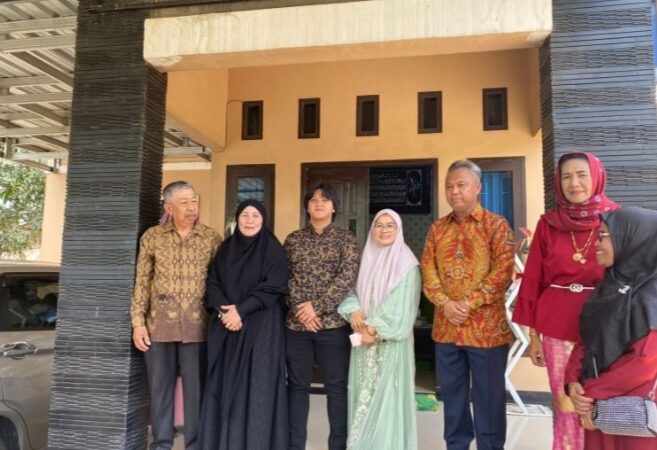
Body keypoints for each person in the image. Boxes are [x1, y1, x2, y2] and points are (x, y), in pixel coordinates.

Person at [512, 152, 619, 450]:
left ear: (596, 177)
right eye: (567, 177)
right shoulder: (548, 224)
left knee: (601, 402)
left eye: (582, 175)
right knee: (566, 403)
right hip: (556, 327)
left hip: (605, 326)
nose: (574, 183)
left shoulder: (616, 218)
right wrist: (534, 336)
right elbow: (534, 277)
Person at [421, 160, 515, 450]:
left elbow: (503, 272)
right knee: (453, 400)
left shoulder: (496, 225)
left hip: (486, 332)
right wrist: (444, 303)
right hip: (446, 329)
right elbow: (427, 269)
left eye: (461, 185)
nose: (454, 191)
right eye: (449, 186)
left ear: (478, 187)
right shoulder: (437, 228)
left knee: (489, 400)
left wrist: (467, 303)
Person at [131, 181, 222, 450]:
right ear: (169, 208)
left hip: (197, 326)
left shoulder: (211, 237)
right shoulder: (153, 237)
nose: (192, 207)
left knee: (196, 391)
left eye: (194, 201)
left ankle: (195, 444)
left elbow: (219, 282)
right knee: (159, 390)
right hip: (158, 325)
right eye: (184, 202)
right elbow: (141, 281)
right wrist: (138, 323)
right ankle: (162, 443)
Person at [198, 200, 289, 450]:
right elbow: (213, 282)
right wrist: (225, 312)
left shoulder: (273, 249)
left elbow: (274, 285)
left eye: (255, 215)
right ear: (237, 219)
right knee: (227, 383)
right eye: (245, 215)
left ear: (264, 219)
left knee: (257, 386)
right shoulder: (226, 249)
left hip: (262, 329)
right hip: (229, 327)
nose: (250, 220)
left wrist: (241, 310)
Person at [565, 207, 657, 449]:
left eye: (603, 236)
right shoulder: (608, 288)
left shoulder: (651, 297)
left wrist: (590, 392)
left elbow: (645, 362)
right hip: (597, 408)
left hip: (631, 413)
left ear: (632, 239)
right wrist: (573, 381)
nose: (596, 243)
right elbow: (585, 341)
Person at [285, 182, 360, 450]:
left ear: (334, 207)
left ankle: (337, 446)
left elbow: (346, 278)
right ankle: (295, 445)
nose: (319, 204)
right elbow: (285, 277)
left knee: (336, 388)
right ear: (307, 206)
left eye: (325, 200)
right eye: (314, 200)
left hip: (333, 326)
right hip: (297, 327)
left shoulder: (346, 239)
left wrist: (316, 307)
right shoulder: (293, 240)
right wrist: (301, 310)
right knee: (297, 387)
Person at [338, 209, 421, 450]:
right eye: (379, 225)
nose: (384, 230)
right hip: (363, 345)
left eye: (390, 225)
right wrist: (354, 310)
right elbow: (348, 289)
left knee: (387, 398)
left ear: (399, 230)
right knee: (362, 396)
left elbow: (403, 306)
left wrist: (373, 330)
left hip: (389, 345)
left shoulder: (407, 264)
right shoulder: (365, 259)